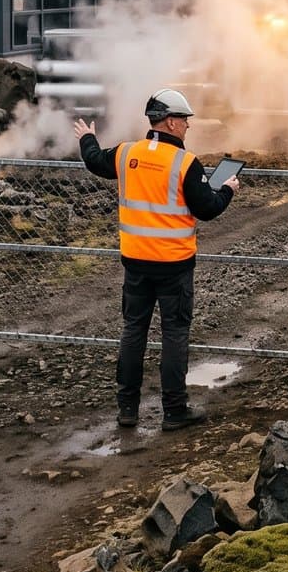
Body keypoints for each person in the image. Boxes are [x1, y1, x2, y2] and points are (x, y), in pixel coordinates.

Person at [72, 88, 239, 430]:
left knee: (134, 331)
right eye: (186, 121)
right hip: (174, 266)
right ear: (172, 122)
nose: (189, 127)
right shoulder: (185, 163)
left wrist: (88, 137)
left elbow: (93, 160)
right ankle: (174, 410)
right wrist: (228, 190)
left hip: (135, 263)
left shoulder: (126, 153)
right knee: (175, 335)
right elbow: (207, 209)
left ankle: (127, 410)